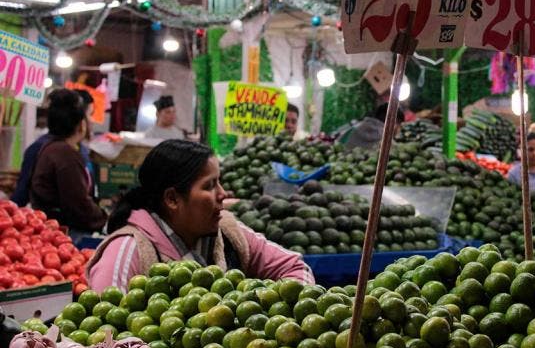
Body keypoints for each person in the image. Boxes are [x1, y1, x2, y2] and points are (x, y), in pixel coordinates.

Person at [86, 140, 314, 292]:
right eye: (210, 185)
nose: (223, 194)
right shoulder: (128, 251)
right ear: (172, 199)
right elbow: (103, 334)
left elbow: (295, 268)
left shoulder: (228, 232)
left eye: (219, 182)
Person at [30, 89, 106, 242]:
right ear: (80, 125)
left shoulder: (54, 148)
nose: (91, 121)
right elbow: (78, 205)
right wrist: (105, 218)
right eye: (89, 116)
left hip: (54, 231)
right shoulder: (64, 154)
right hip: (64, 235)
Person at [12, 90, 94, 206]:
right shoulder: (39, 149)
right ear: (81, 122)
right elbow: (20, 197)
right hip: (51, 217)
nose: (92, 120)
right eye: (90, 114)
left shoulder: (82, 150)